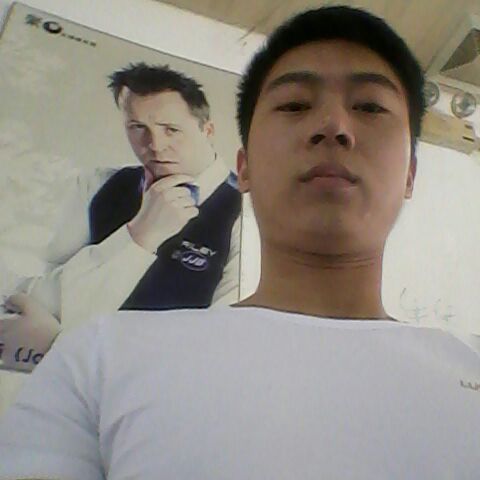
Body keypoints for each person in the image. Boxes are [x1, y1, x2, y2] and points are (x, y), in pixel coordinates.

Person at [1, 6, 479, 478]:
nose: (333, 125)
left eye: (370, 107)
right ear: (244, 167)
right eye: (295, 105)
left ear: (410, 174)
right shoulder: (99, 359)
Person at [0, 64, 241, 371]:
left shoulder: (250, 216)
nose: (155, 145)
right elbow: (36, 299)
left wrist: (57, 346)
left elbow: (217, 349)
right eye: (138, 127)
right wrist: (138, 237)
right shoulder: (97, 186)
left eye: (171, 129)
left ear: (207, 130)